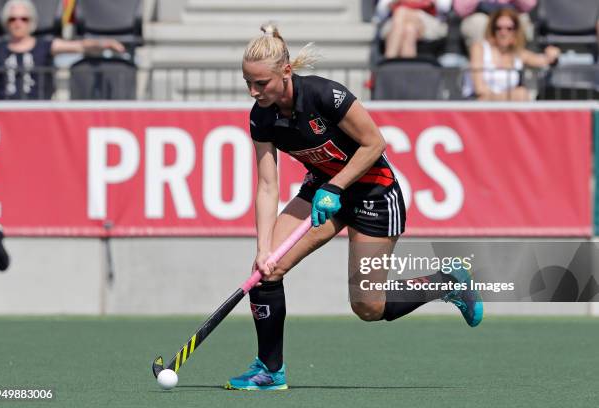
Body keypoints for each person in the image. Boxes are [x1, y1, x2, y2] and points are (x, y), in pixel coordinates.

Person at [227, 23, 484, 391]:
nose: (253, 92)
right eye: (248, 83)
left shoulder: (324, 95)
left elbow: (374, 143)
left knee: (368, 307)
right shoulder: (261, 116)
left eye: (261, 83)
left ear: (286, 72)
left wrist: (335, 186)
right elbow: (267, 185)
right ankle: (270, 370)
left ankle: (447, 281)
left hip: (374, 196)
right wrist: (263, 247)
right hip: (322, 192)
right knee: (266, 270)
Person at [0, 0, 124, 99]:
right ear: (6, 21)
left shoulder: (45, 45)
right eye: (13, 19)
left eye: (24, 19)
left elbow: (80, 45)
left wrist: (105, 43)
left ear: (31, 21)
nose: (18, 23)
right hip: (5, 113)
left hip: (39, 111)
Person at [467, 8, 560, 100]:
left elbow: (542, 60)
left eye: (509, 29)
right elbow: (479, 89)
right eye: (498, 28)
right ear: (492, 29)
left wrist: (552, 53)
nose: (503, 32)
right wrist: (513, 96)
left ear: (516, 31)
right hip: (479, 106)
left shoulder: (518, 53)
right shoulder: (479, 49)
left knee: (522, 94)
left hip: (507, 106)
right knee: (521, 94)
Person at [376, 0, 450, 58]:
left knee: (401, 12)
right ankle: (407, 74)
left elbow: (445, 7)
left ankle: (388, 60)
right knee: (409, 30)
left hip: (429, 20)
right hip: (396, 22)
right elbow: (381, 12)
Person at [453, 0, 536, 48]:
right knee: (478, 22)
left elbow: (530, 4)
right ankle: (483, 65)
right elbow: (460, 9)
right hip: (482, 18)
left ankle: (516, 63)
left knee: (522, 20)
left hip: (510, 14)